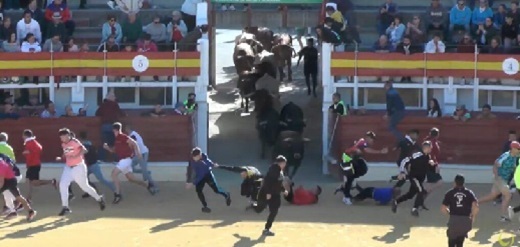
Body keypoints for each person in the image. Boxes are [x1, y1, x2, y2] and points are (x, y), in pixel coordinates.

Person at [56, 128, 106, 216]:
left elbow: (84, 150)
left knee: (84, 187)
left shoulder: (75, 142)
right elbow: (66, 153)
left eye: (62, 137)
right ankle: (65, 207)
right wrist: (61, 157)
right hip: (68, 167)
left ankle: (99, 198)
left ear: (67, 136)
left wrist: (77, 155)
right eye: (60, 137)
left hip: (78, 167)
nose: (61, 139)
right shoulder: (63, 144)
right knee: (62, 185)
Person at [103, 122, 156, 204]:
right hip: (124, 160)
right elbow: (114, 151)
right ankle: (148, 185)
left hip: (126, 160)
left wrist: (138, 153)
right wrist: (107, 148)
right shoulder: (117, 139)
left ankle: (118, 194)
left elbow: (134, 143)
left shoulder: (122, 136)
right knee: (131, 179)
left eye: (114, 130)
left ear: (115, 130)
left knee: (113, 174)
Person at [337, 131, 388, 205]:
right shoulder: (362, 141)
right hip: (346, 160)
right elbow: (366, 150)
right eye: (371, 139)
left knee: (362, 169)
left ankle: (347, 185)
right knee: (350, 177)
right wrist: (380, 152)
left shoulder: (361, 142)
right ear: (367, 137)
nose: (372, 141)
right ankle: (346, 197)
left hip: (352, 159)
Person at [477, 141, 520, 222]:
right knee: (508, 195)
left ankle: (474, 202)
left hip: (504, 179)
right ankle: (503, 216)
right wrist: (497, 177)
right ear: (513, 149)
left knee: (492, 196)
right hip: (500, 178)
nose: (519, 150)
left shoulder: (516, 155)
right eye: (518, 149)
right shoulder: (505, 156)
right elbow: (495, 165)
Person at [391, 141, 434, 217]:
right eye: (430, 147)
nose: (431, 148)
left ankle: (396, 202)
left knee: (410, 195)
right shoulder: (417, 155)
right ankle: (414, 209)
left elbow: (428, 169)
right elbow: (404, 161)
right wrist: (402, 172)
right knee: (421, 191)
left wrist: (431, 165)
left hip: (420, 178)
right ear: (426, 148)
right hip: (414, 177)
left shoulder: (428, 156)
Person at [186, 147, 231, 213]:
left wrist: (193, 183)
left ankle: (226, 195)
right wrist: (188, 181)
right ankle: (205, 206)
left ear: (199, 155)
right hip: (200, 176)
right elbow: (189, 170)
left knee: (216, 190)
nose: (194, 158)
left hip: (207, 175)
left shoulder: (203, 162)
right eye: (193, 157)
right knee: (198, 191)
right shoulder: (191, 160)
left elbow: (202, 174)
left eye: (196, 157)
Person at [253, 155, 289, 236]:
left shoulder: (280, 171)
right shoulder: (273, 170)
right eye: (283, 163)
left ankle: (267, 229)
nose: (285, 165)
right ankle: (253, 205)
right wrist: (268, 193)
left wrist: (283, 190)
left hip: (275, 194)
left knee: (274, 210)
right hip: (266, 193)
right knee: (259, 209)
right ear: (279, 163)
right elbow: (267, 182)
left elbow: (278, 183)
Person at [441, 174, 479, 247]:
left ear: (454, 182)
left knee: (451, 242)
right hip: (465, 220)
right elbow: (476, 206)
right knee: (460, 242)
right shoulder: (469, 193)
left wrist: (450, 214)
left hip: (454, 220)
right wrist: (473, 216)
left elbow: (443, 208)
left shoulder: (450, 193)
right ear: (463, 183)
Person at [77, 131, 116, 199]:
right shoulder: (89, 144)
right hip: (91, 165)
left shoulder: (85, 146)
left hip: (92, 165)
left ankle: (116, 191)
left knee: (101, 180)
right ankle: (91, 191)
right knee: (85, 180)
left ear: (80, 138)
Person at [22, 129, 57, 201]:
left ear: (25, 136)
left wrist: (28, 152)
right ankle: (28, 198)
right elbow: (39, 149)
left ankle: (51, 181)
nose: (22, 137)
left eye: (23, 135)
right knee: (28, 181)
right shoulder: (33, 142)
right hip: (34, 164)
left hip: (33, 164)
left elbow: (33, 151)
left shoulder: (30, 143)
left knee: (34, 182)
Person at [125, 124, 157, 193]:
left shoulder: (132, 136)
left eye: (126, 129)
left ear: (128, 129)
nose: (125, 130)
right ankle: (146, 172)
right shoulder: (133, 134)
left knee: (144, 173)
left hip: (142, 154)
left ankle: (153, 186)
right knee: (131, 167)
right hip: (139, 154)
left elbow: (134, 146)